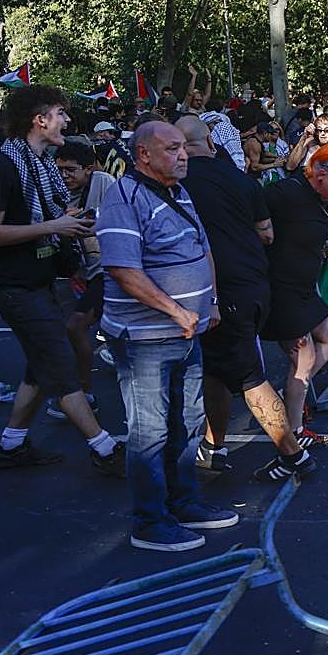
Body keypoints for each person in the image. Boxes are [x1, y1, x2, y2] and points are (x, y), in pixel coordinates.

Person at [98, 120, 238, 551]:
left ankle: (184, 502)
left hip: (185, 333)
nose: (183, 155)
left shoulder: (179, 191)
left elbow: (202, 248)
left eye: (183, 147)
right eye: (173, 148)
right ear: (144, 154)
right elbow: (123, 270)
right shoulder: (123, 198)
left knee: (188, 421)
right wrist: (176, 309)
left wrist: (209, 302)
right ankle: (150, 521)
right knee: (151, 431)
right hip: (146, 339)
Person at [0, 85, 123, 476]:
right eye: (61, 113)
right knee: (59, 361)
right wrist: (53, 226)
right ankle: (105, 449)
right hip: (12, 284)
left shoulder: (40, 167)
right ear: (39, 120)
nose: (68, 121)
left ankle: (11, 445)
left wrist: (77, 225)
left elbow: (56, 217)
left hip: (38, 279)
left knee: (41, 366)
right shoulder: (2, 167)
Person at [174, 115, 316, 482]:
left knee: (249, 375)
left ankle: (293, 456)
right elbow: (266, 233)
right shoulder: (240, 179)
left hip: (223, 289)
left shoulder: (179, 183)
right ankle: (214, 446)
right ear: (211, 143)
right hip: (254, 282)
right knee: (217, 371)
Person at [260, 143, 328, 444]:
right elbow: (250, 205)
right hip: (280, 289)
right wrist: (262, 233)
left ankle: (295, 395)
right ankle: (294, 432)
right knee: (304, 358)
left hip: (302, 288)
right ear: (321, 174)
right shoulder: (287, 192)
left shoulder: (317, 198)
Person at [47, 141, 116, 419]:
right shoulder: (59, 190)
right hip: (83, 271)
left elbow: (118, 220)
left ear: (89, 169)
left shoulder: (105, 183)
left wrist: (79, 223)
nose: (64, 176)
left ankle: (85, 393)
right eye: (60, 169)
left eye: (70, 170)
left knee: (75, 326)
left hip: (109, 270)